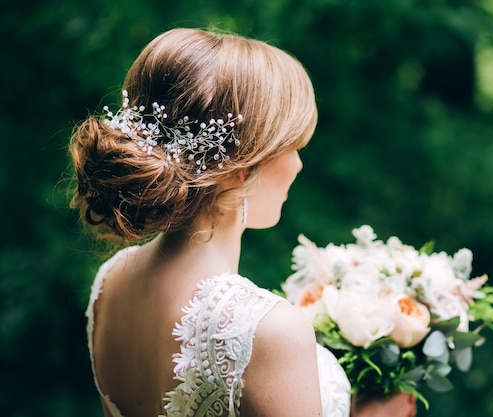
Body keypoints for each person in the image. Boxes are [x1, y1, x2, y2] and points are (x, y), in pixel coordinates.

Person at [70, 28, 417, 417]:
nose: (299, 166)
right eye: (293, 147)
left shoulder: (110, 283)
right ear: (239, 167)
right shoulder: (269, 330)